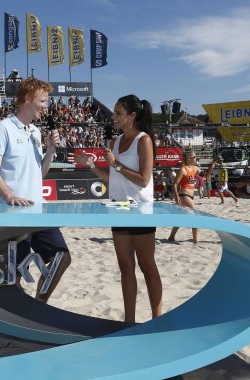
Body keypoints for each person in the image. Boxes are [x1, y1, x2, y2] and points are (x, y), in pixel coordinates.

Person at [75, 94, 162, 323]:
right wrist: (92, 165)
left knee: (147, 267)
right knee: (125, 267)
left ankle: (158, 318)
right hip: (119, 207)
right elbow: (112, 178)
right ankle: (129, 321)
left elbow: (144, 180)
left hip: (141, 211)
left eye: (118, 113)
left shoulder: (144, 140)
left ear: (132, 116)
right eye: (114, 112)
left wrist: (115, 163)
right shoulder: (116, 141)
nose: (113, 117)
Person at [0, 77, 71, 303]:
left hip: (37, 211)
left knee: (62, 258)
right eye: (42, 101)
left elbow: (39, 174)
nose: (46, 106)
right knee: (14, 273)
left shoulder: (34, 131)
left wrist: (51, 151)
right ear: (26, 99)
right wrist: (10, 196)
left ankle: (38, 306)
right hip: (12, 214)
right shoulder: (2, 128)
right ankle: (14, 314)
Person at [168, 150, 200, 244]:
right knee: (195, 215)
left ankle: (171, 237)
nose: (195, 158)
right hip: (184, 195)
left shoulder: (196, 168)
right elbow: (175, 184)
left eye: (195, 156)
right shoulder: (183, 169)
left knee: (180, 218)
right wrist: (176, 196)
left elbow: (206, 176)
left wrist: (213, 165)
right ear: (188, 158)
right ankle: (195, 240)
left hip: (190, 196)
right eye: (193, 157)